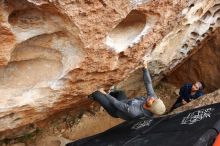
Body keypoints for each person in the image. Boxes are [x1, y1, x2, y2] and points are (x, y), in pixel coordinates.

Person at [88, 66, 166, 121]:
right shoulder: (152, 99)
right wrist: (145, 68)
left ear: (150, 108)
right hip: (125, 102)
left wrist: (103, 93)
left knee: (97, 93)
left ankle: (93, 97)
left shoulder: (135, 112)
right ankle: (105, 97)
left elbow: (116, 103)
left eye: (153, 101)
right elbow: (148, 83)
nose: (152, 98)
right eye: (155, 99)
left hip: (115, 109)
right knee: (120, 93)